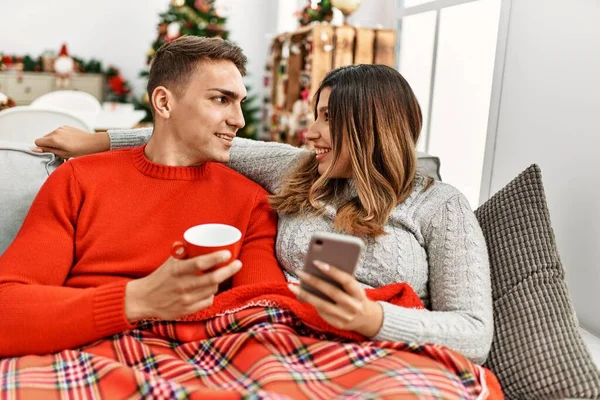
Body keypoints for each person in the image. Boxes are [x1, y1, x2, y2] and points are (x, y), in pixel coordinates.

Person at [34, 64, 493, 364]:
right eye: (315, 115)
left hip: (390, 348)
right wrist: (97, 141)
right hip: (288, 342)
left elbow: (475, 334)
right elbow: (193, 134)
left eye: (328, 118)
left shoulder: (441, 206)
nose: (311, 133)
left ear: (373, 126)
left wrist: (372, 320)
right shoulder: (297, 168)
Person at [0, 36, 286, 358]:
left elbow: (267, 314)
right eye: (221, 99)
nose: (239, 120)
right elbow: (7, 310)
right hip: (82, 353)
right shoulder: (78, 179)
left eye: (239, 102)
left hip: (197, 359)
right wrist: (135, 299)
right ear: (164, 103)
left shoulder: (251, 202)